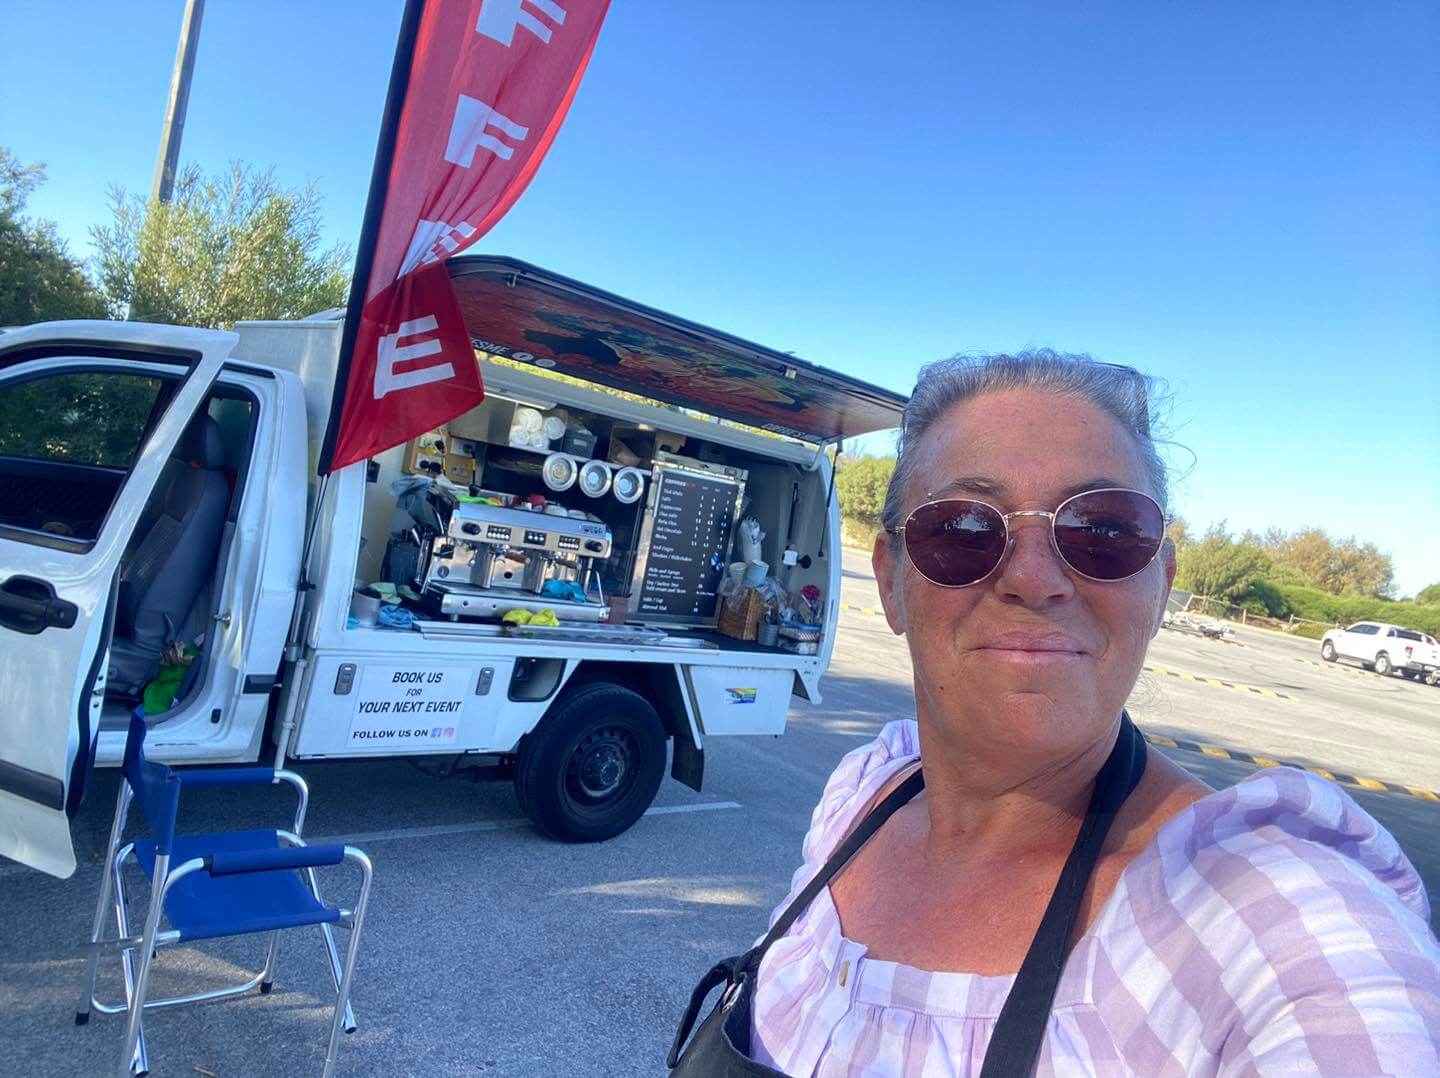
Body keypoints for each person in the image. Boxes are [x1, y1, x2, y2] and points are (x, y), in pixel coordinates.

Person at [669, 352, 1440, 1076]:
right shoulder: (861, 795)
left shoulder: (1265, 915)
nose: (1035, 580)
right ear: (893, 581)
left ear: (1162, 584)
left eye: (1103, 531)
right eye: (964, 528)